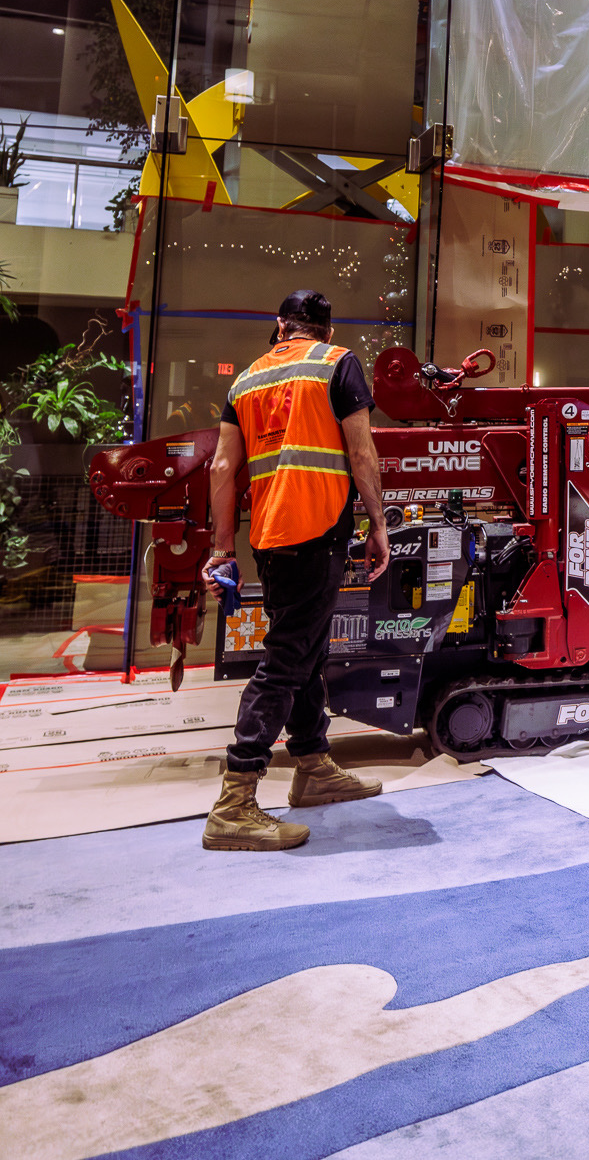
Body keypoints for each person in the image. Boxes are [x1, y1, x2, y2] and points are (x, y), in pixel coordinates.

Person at [199, 289, 391, 851]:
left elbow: (221, 468)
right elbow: (362, 453)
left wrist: (220, 549)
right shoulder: (338, 363)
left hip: (268, 535)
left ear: (279, 326)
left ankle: (312, 766)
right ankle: (234, 802)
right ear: (326, 331)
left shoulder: (248, 379)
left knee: (306, 651)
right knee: (287, 659)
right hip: (316, 530)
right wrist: (377, 524)